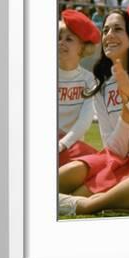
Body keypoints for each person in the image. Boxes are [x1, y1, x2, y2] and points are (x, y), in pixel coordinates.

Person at [58, 6, 129, 215]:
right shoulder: (102, 84)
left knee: (82, 194)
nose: (109, 36)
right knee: (65, 177)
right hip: (116, 158)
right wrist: (126, 116)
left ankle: (88, 203)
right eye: (105, 30)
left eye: (117, 29)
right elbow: (111, 145)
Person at [57, 9, 100, 166]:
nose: (61, 42)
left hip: (72, 145)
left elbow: (85, 120)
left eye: (69, 39)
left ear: (82, 48)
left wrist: (62, 144)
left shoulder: (89, 80)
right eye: (59, 38)